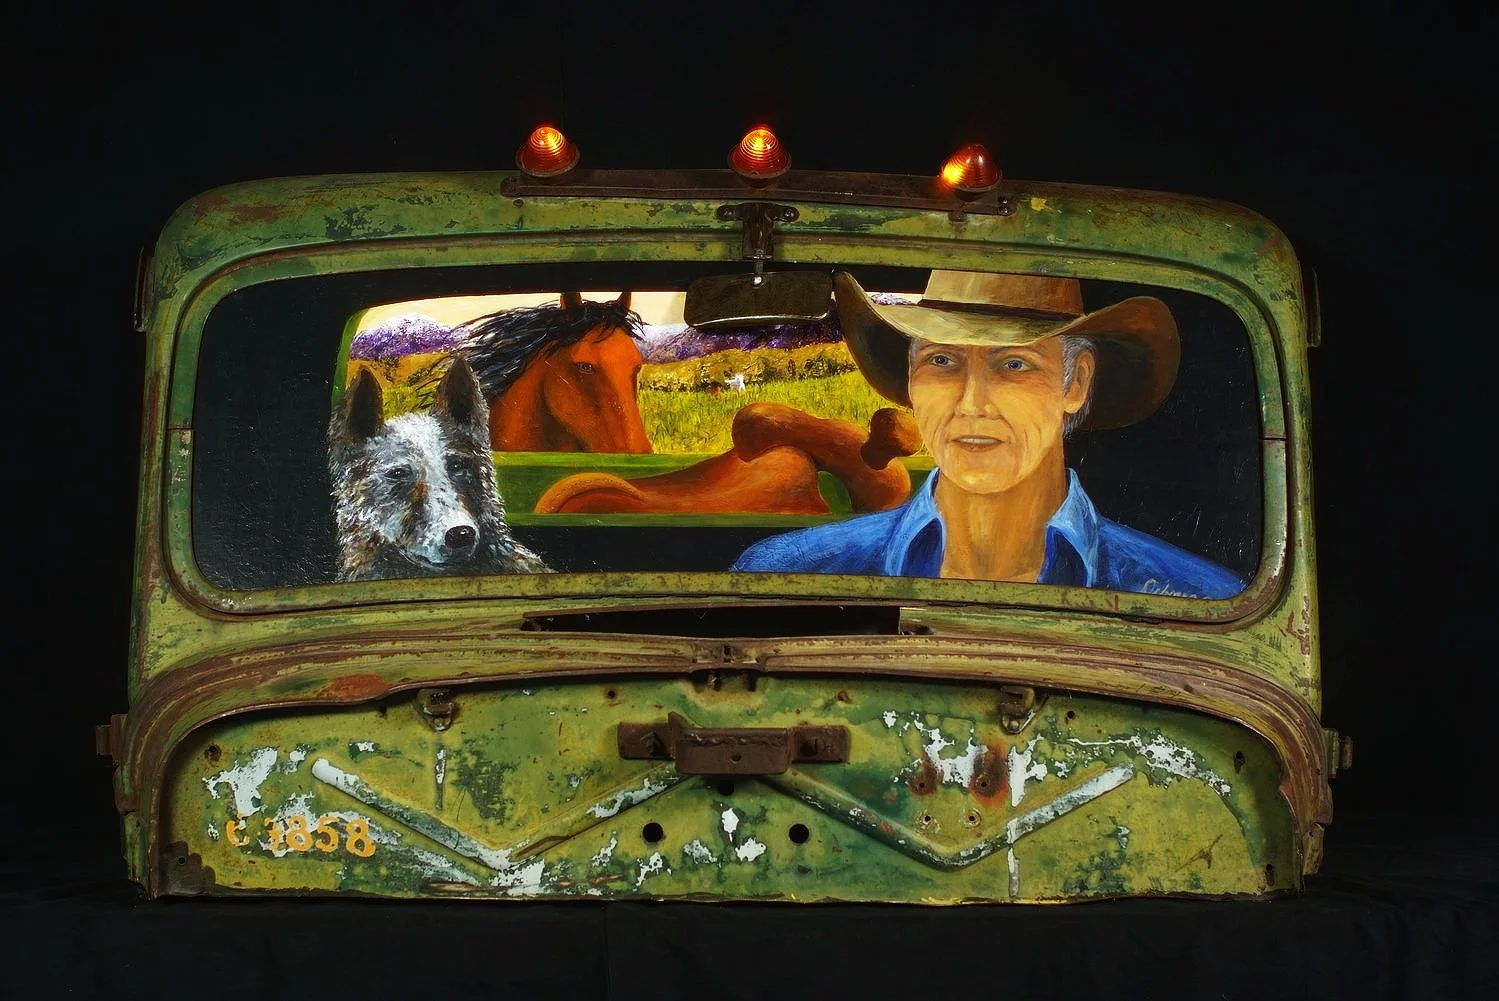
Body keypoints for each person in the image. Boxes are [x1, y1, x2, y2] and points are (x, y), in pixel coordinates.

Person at [730, 270, 1243, 599]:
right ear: (911, 380)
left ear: (1076, 383)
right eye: (942, 361)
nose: (972, 403)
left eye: (1014, 364)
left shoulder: (1194, 598)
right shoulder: (786, 575)